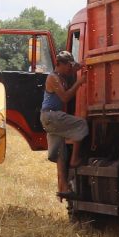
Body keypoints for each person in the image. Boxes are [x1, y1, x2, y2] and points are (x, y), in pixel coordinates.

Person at [41, 50, 87, 199]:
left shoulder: (62, 75)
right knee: (81, 124)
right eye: (67, 65)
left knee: (60, 156)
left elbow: (76, 67)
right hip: (52, 116)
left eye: (70, 65)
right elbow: (66, 97)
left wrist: (83, 64)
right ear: (59, 64)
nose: (70, 68)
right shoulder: (53, 78)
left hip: (51, 118)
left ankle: (64, 188)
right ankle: (75, 159)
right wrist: (79, 83)